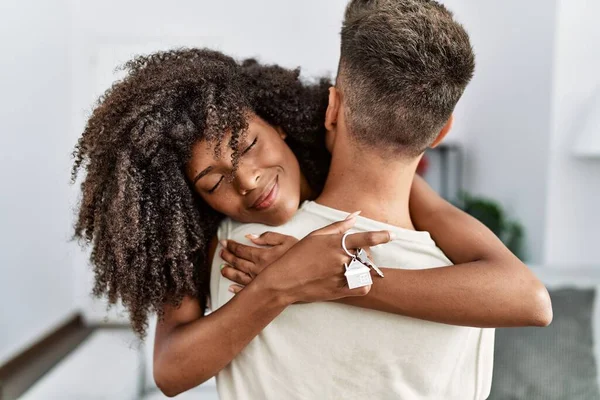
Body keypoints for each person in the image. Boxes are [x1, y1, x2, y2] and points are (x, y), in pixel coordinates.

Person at [70, 6, 551, 400]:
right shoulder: (454, 267)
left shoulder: (233, 255)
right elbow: (171, 372)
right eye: (213, 182)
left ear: (327, 108)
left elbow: (531, 301)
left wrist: (336, 278)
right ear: (441, 132)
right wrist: (280, 284)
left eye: (248, 145)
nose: (250, 180)